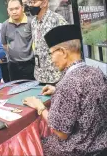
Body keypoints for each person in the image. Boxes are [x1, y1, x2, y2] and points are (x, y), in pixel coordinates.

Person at [23, 25, 107, 156]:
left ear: (63, 52)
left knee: (33, 145)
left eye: (51, 54)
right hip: (101, 142)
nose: (51, 60)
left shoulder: (67, 84)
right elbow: (86, 95)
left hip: (78, 149)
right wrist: (57, 90)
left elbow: (61, 133)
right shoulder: (96, 72)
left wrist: (40, 107)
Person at [28, 0, 68, 85]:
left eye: (33, 2)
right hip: (40, 76)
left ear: (44, 3)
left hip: (56, 77)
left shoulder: (57, 20)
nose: (30, 5)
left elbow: (69, 48)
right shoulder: (33, 22)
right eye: (29, 2)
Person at [1, 0, 35, 81]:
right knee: (15, 91)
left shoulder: (31, 22)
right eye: (11, 9)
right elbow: (4, 44)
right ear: (8, 10)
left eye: (17, 8)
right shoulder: (5, 25)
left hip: (30, 64)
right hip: (13, 65)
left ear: (22, 8)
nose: (14, 11)